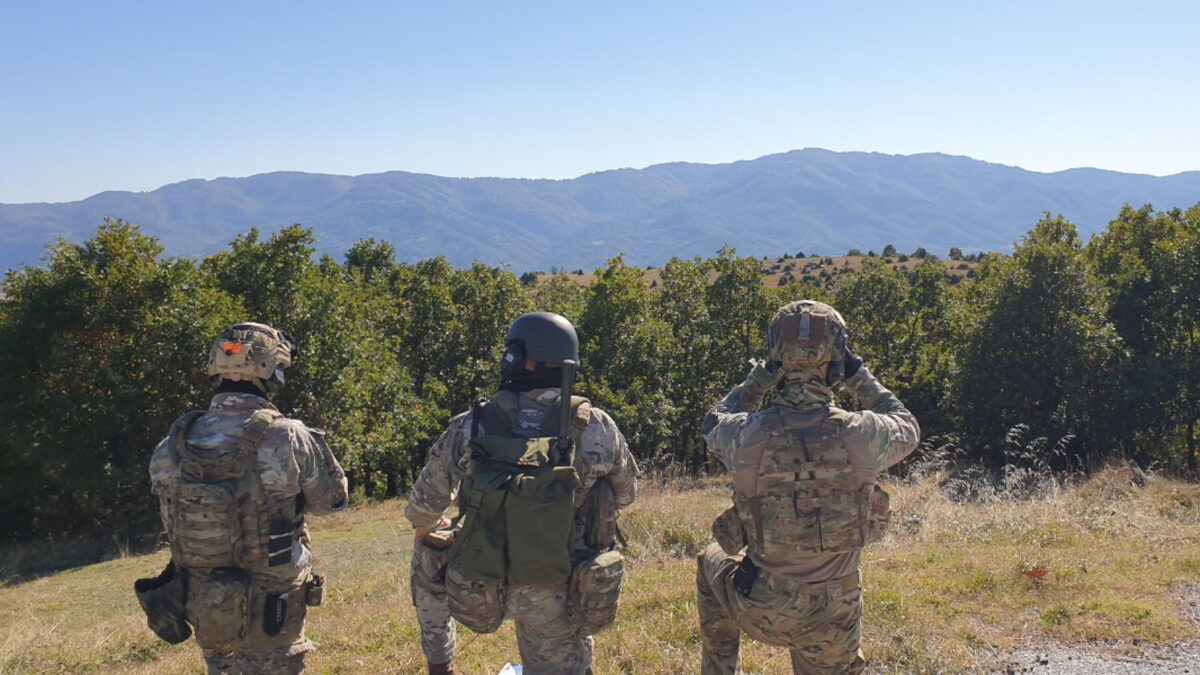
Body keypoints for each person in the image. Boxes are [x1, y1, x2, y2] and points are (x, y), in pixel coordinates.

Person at [406, 312, 639, 675]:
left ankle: (441, 663)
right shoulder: (597, 427)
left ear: (517, 357)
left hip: (478, 585)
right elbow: (627, 496)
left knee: (426, 546)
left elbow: (421, 512)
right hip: (560, 588)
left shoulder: (471, 425)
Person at [696, 300, 920, 674]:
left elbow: (712, 422)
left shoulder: (747, 434)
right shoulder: (862, 434)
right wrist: (857, 375)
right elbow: (908, 425)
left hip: (763, 609)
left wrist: (760, 378)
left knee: (710, 560)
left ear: (776, 355)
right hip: (834, 621)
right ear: (837, 357)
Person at [140, 322, 348, 675]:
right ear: (270, 372)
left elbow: (172, 522)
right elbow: (332, 502)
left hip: (206, 603)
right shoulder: (287, 436)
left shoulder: (173, 444)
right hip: (273, 607)